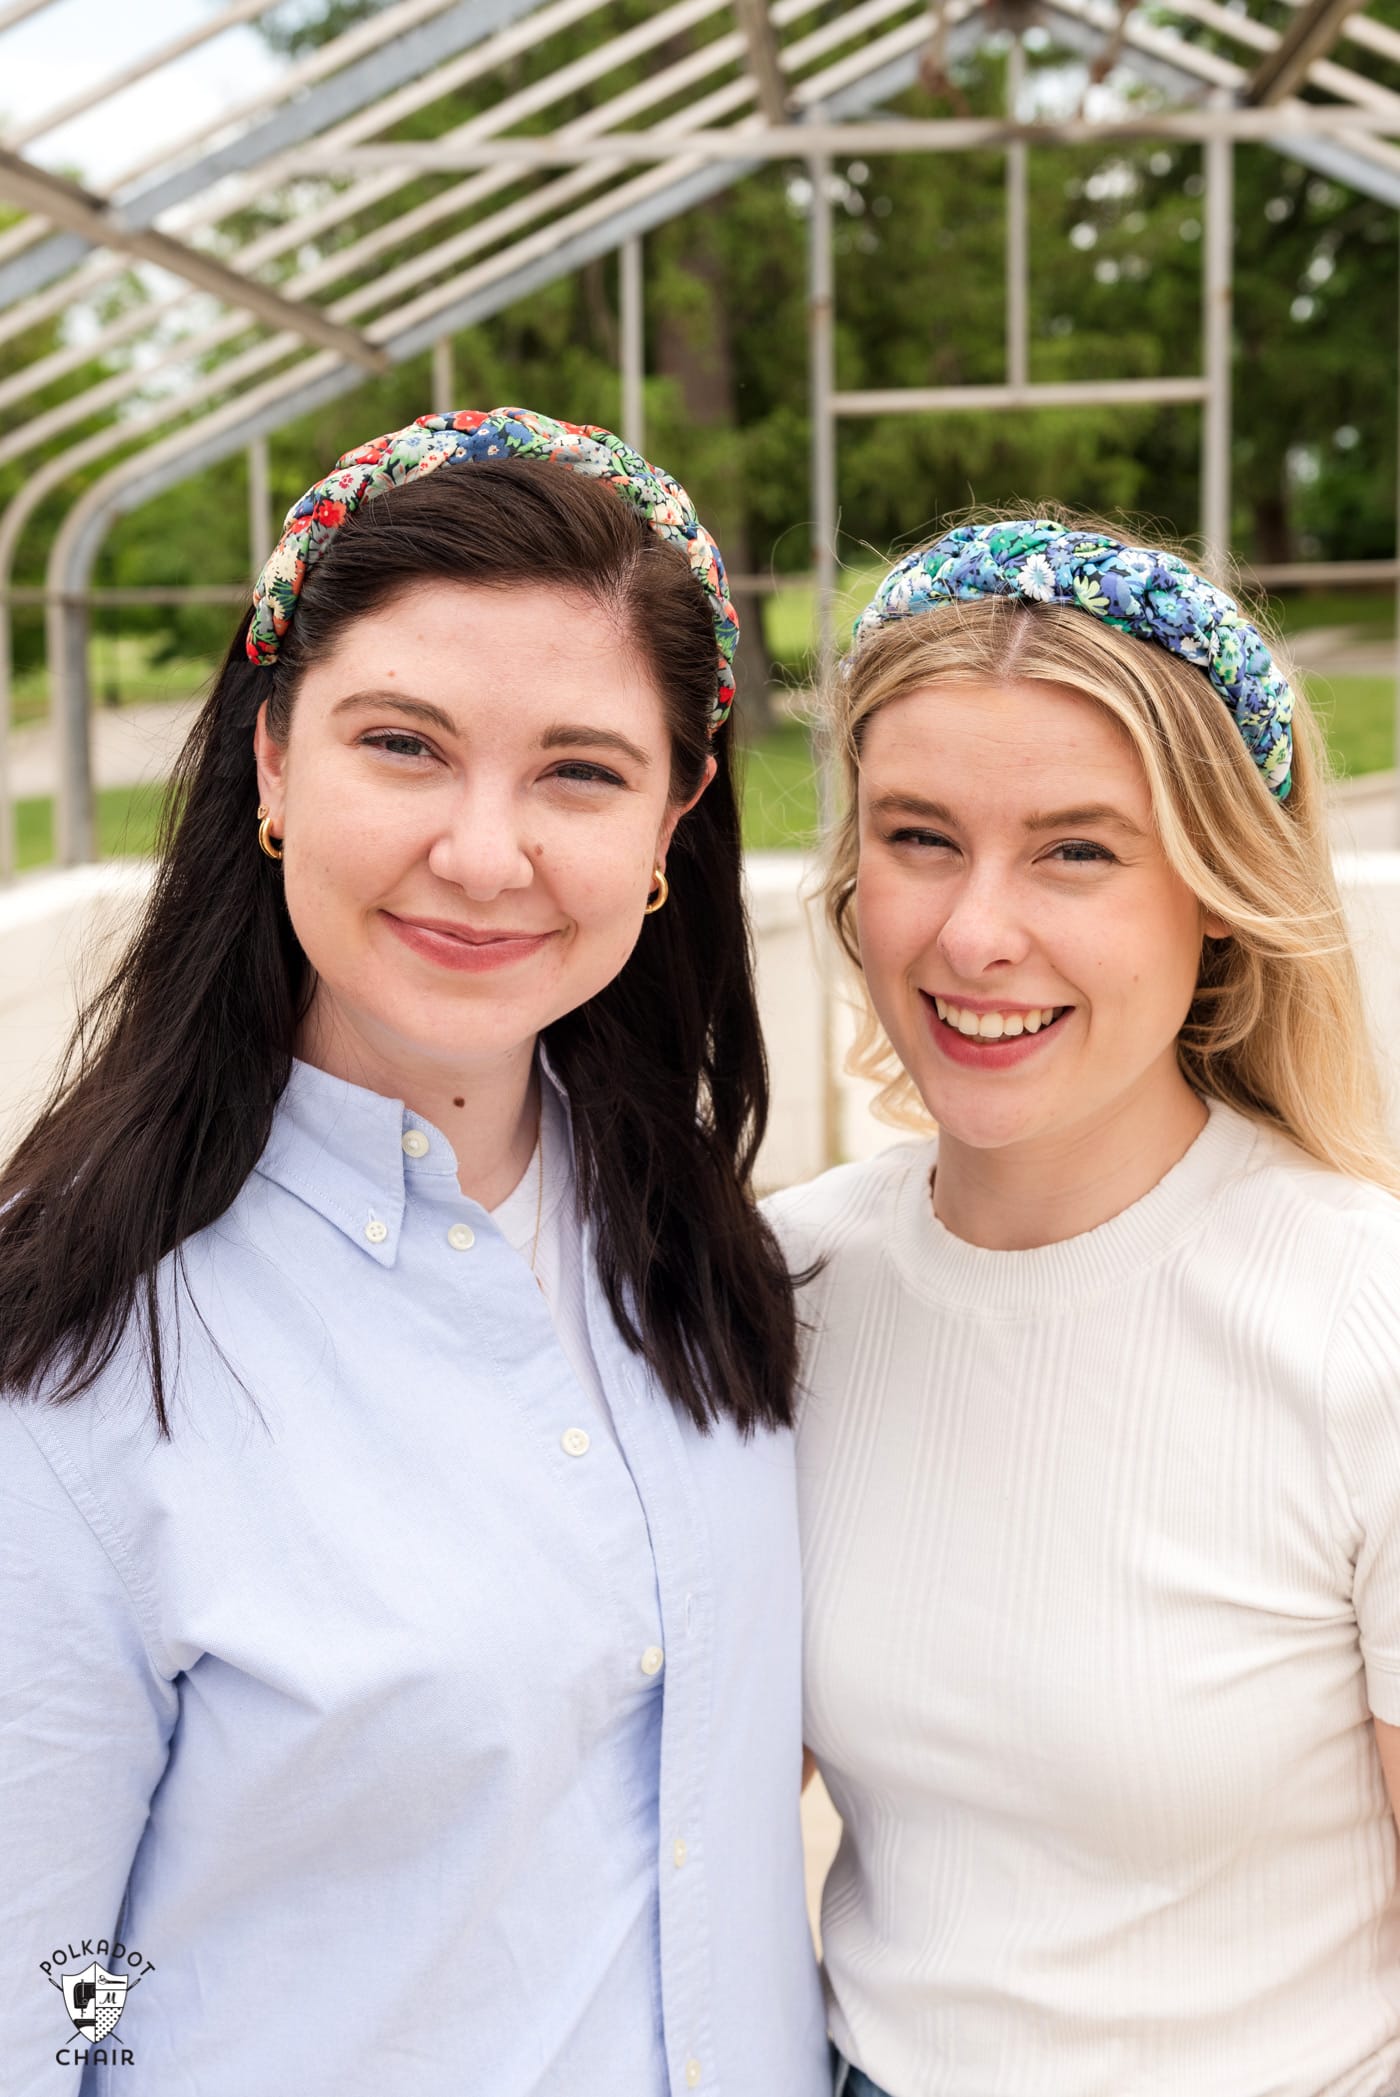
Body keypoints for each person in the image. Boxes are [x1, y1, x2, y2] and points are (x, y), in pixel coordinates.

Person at [0, 408, 828, 2097]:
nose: (483, 850)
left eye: (580, 770)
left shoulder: (704, 1253)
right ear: (273, 765)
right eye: (404, 744)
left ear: (674, 821)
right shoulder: (74, 1365)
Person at [771, 515, 1400, 2097]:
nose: (976, 931)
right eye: (919, 837)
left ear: (1218, 899)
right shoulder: (783, 1289)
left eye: (1077, 849)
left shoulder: (1358, 1321)